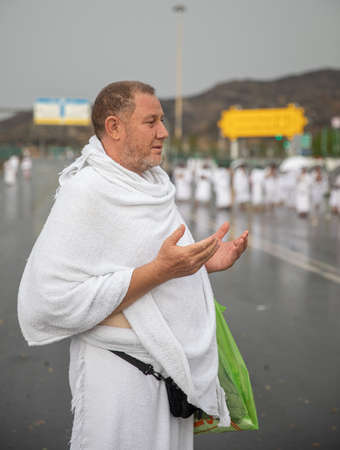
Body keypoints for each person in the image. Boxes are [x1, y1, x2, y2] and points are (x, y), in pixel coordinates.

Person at [18, 81, 248, 450]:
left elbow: (150, 265)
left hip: (169, 378)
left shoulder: (152, 186)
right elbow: (47, 299)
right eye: (151, 122)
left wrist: (203, 263)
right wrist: (162, 270)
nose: (164, 132)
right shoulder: (87, 191)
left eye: (163, 120)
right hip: (120, 379)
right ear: (114, 127)